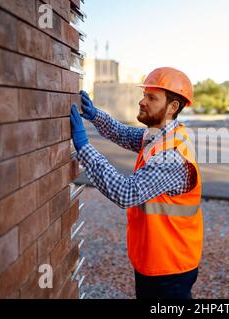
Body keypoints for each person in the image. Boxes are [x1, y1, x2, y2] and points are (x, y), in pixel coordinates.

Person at [69, 67, 203, 299]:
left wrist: (84, 148)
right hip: (157, 258)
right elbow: (124, 133)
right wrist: (95, 115)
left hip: (169, 267)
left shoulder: (171, 155)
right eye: (145, 95)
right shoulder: (162, 135)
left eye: (151, 97)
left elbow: (125, 193)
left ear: (172, 107)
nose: (142, 102)